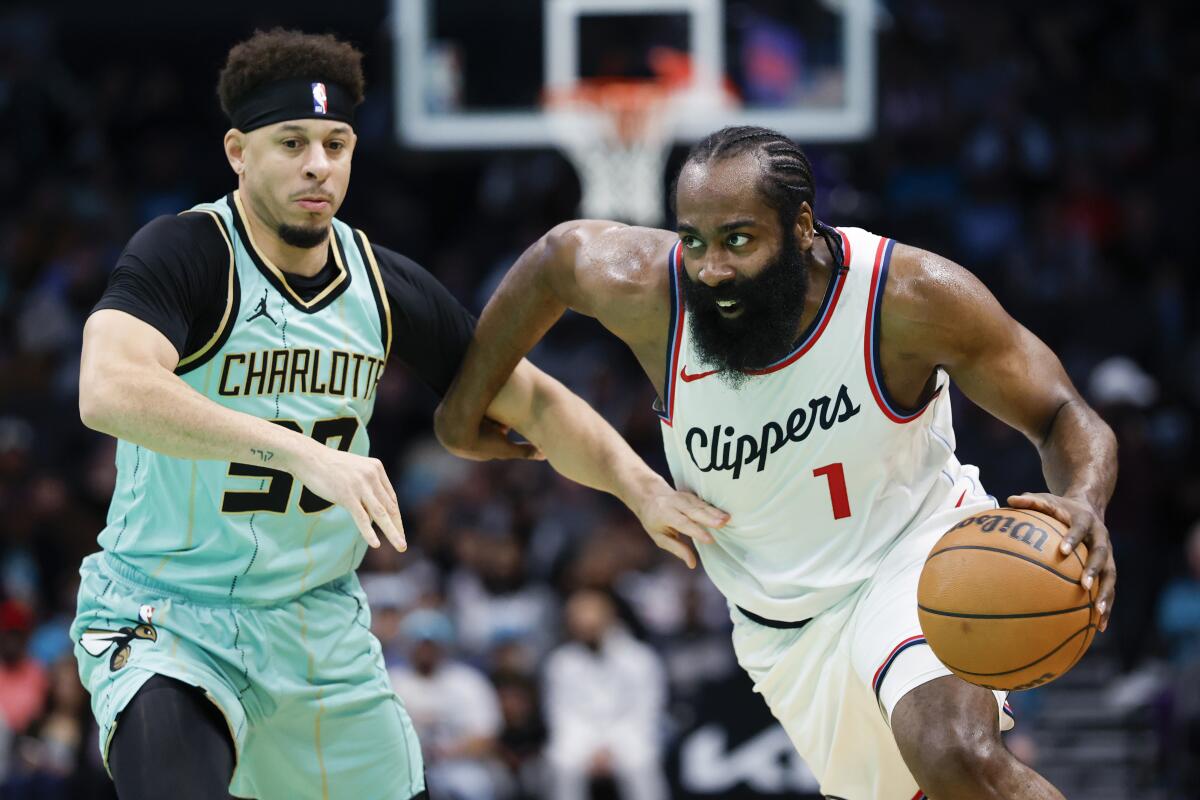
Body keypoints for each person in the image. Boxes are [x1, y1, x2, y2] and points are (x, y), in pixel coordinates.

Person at [71, 29, 724, 800]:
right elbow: (107, 389)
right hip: (166, 614)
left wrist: (640, 487)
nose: (319, 165)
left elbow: (535, 399)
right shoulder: (184, 252)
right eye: (292, 143)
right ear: (239, 152)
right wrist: (299, 451)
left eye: (336, 143)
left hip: (314, 628)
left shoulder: (381, 286)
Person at [435, 126, 1119, 799]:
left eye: (738, 239)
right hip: (779, 625)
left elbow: (1062, 413)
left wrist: (1084, 499)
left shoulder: (907, 297)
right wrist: (460, 412)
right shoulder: (652, 290)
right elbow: (557, 257)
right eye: (694, 240)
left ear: (799, 225)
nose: (711, 267)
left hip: (915, 560)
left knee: (955, 753)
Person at [542, 590, 668, 800]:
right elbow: (560, 713)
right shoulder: (561, 662)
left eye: (591, 616)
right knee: (562, 760)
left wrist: (610, 746)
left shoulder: (640, 658)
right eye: (578, 618)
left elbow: (647, 709)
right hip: (581, 735)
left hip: (630, 732)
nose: (585, 624)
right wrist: (593, 746)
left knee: (641, 761)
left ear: (609, 616)